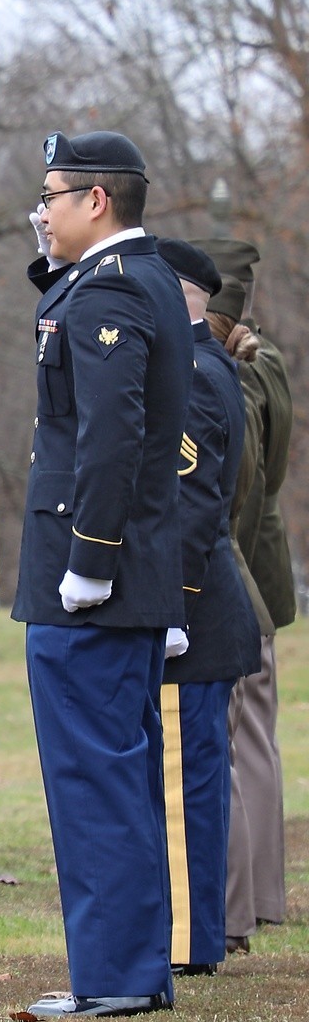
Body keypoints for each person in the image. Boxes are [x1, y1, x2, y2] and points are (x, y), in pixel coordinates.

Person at [16, 131, 189, 1020]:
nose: (40, 211)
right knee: (115, 773)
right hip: (123, 576)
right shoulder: (131, 279)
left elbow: (109, 438)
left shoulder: (112, 288)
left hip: (93, 582)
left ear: (98, 201)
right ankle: (129, 969)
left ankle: (117, 978)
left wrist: (90, 560)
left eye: (51, 195)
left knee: (93, 779)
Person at [154, 240, 263, 976]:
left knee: (185, 782)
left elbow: (193, 511)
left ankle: (194, 941)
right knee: (189, 776)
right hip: (192, 605)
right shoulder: (190, 364)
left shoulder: (192, 372)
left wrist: (169, 606)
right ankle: (190, 933)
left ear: (183, 293)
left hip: (191, 612)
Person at [192, 238, 292, 952]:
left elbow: (236, 491)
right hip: (262, 566)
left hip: (231, 571)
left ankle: (232, 910)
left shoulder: (221, 373)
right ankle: (261, 896)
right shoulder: (269, 364)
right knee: (256, 740)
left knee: (224, 742)